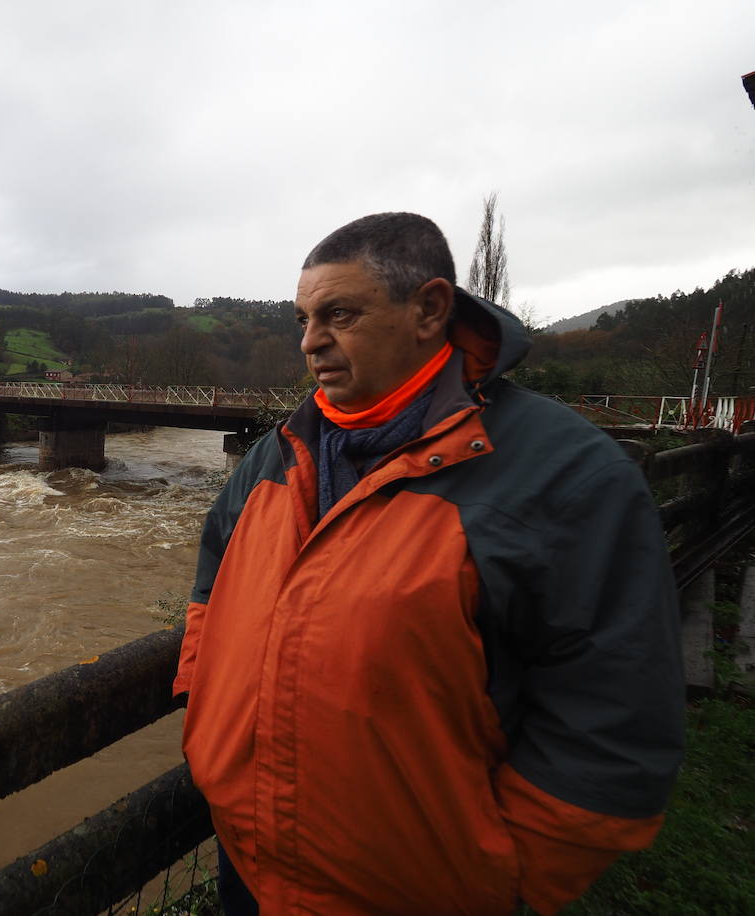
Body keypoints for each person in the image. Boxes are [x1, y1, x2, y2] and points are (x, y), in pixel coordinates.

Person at [174, 212, 685, 915]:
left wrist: (512, 881)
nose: (309, 341)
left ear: (430, 310)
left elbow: (614, 714)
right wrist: (211, 722)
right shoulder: (279, 452)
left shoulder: (565, 475)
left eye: (339, 314)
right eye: (303, 318)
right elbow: (213, 582)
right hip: (252, 868)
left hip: (422, 892)